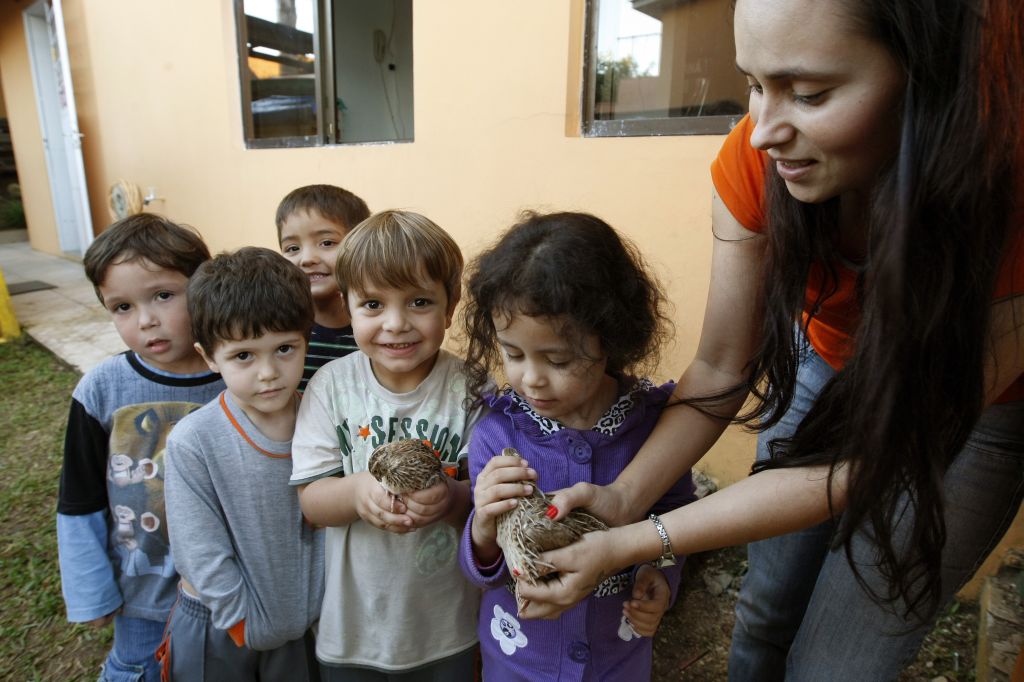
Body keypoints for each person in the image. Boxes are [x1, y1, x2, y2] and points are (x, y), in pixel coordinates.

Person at [518, 1, 1024, 680]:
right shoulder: (753, 164)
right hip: (826, 358)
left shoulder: (1009, 190)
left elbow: (866, 468)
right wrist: (625, 496)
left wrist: (638, 541)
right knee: (765, 613)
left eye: (809, 94)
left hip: (970, 413)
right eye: (754, 85)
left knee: (838, 662)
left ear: (924, 77)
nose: (761, 132)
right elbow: (723, 366)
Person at [457, 211, 697, 681]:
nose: (530, 377)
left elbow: (676, 514)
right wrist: (484, 524)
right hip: (520, 663)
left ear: (610, 337)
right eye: (512, 353)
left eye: (557, 359)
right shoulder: (497, 435)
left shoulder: (655, 431)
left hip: (618, 661)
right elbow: (483, 564)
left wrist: (661, 578)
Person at [290, 210, 485, 680]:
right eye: (373, 305)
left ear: (450, 305)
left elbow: (487, 505)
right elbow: (312, 502)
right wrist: (357, 492)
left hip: (449, 629)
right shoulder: (330, 386)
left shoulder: (473, 389)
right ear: (348, 304)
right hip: (353, 631)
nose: (395, 324)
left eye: (419, 302)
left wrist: (452, 497)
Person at [56, 214, 224, 682]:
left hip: (228, 590)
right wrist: (90, 591)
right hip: (142, 600)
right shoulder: (101, 389)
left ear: (203, 287)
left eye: (163, 296)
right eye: (122, 307)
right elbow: (79, 499)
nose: (146, 320)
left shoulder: (242, 375)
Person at [159, 247, 322, 680]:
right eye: (244, 356)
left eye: (285, 348)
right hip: (220, 629)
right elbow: (198, 549)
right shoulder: (194, 441)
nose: (269, 372)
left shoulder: (324, 421)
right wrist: (241, 624)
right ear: (210, 357)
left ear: (306, 338)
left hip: (303, 631)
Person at [277, 184, 371, 391]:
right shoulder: (278, 331)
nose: (307, 259)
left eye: (327, 243)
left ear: (361, 248)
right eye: (292, 248)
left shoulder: (375, 331)